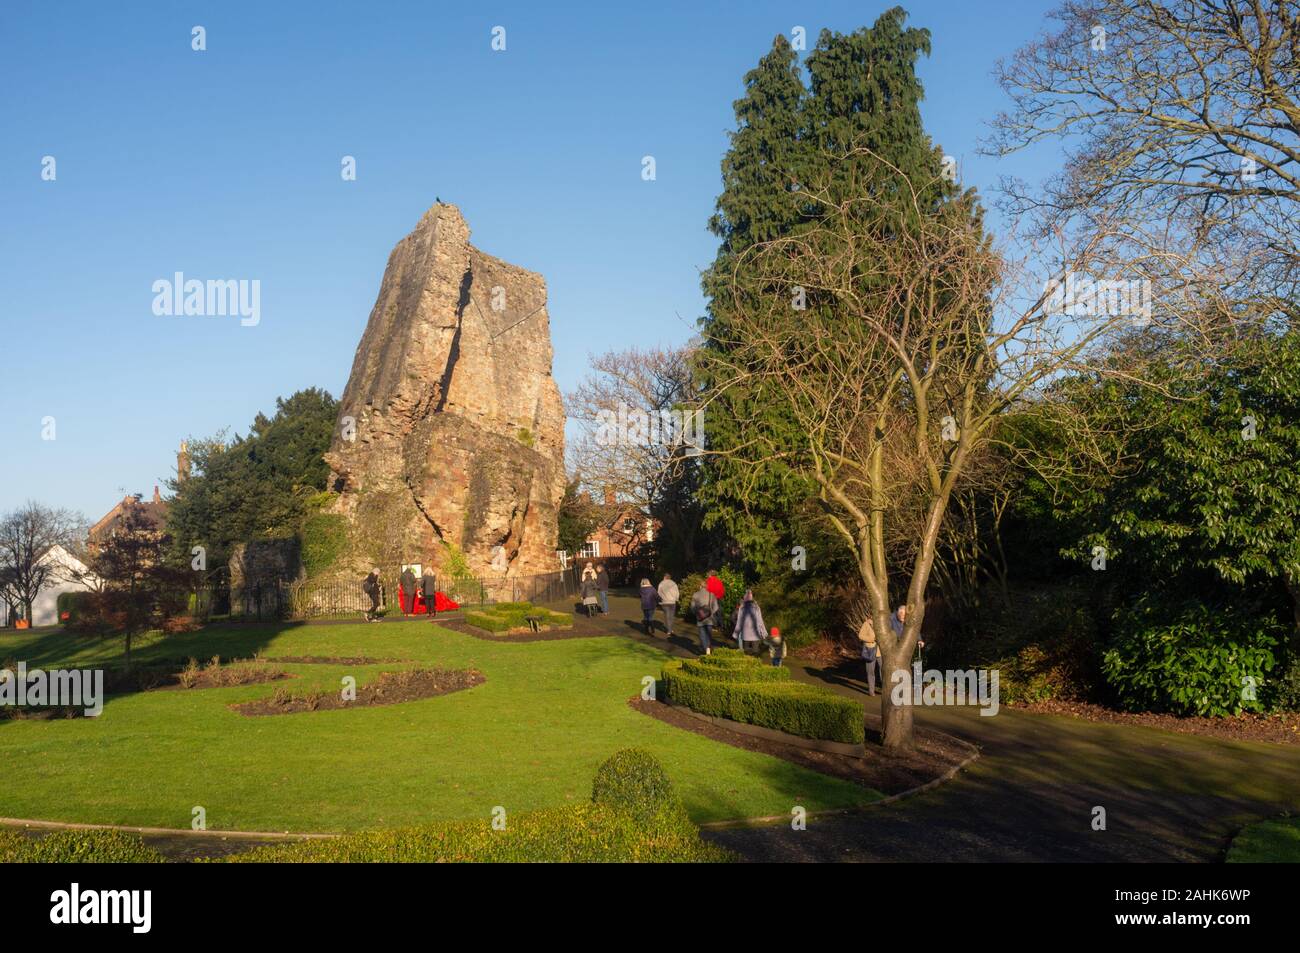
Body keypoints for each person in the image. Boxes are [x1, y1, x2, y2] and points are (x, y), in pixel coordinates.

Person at [689, 581, 718, 655]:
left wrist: (696, 613)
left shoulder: (696, 594)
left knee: (702, 635)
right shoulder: (712, 595)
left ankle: (706, 649)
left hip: (700, 619)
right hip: (709, 619)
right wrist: (711, 612)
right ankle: (707, 649)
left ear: (700, 586)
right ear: (707, 587)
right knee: (708, 635)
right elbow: (716, 607)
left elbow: (692, 607)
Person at [859, 617, 881, 695]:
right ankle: (871, 691)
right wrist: (872, 639)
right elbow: (860, 636)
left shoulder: (882, 623)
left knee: (884, 671)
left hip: (881, 652)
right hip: (870, 651)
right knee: (870, 672)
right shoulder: (867, 624)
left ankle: (885, 690)